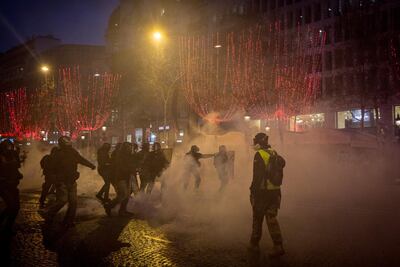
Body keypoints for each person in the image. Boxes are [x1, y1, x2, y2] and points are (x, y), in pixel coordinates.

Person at [42, 136, 95, 228]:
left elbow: (81, 159)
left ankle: (69, 221)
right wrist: (55, 179)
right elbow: (51, 168)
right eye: (67, 141)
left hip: (71, 180)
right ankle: (49, 214)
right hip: (61, 181)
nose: (69, 143)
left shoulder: (72, 152)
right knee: (62, 200)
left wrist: (91, 165)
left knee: (73, 202)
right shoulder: (57, 154)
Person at [249, 133, 285, 257]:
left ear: (259, 142)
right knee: (272, 219)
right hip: (275, 192)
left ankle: (254, 245)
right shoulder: (274, 152)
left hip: (262, 192)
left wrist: (252, 190)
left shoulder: (259, 155)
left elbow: (257, 176)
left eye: (255, 141)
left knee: (257, 218)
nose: (254, 144)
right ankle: (278, 246)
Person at [104, 142, 136, 216]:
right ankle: (109, 206)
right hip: (120, 177)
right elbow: (121, 167)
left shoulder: (129, 156)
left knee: (127, 195)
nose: (130, 149)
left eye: (130, 147)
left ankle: (122, 210)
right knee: (123, 194)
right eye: (128, 147)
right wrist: (130, 169)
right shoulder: (121, 156)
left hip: (126, 177)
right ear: (125, 148)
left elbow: (131, 165)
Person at [0, 139, 23, 235]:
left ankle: (7, 226)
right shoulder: (1, 157)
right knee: (12, 206)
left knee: (15, 207)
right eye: (7, 148)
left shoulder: (13, 156)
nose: (9, 150)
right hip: (3, 185)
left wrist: (18, 175)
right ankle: (6, 228)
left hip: (13, 185)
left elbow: (17, 167)